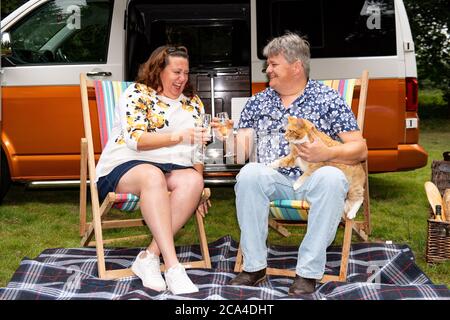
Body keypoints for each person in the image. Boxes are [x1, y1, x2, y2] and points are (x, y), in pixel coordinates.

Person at [225, 32, 368, 294]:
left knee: (333, 178)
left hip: (316, 179)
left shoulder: (327, 99)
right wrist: (230, 137)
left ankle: (307, 272)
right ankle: (254, 266)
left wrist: (326, 154)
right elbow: (239, 155)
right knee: (248, 173)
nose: (267, 70)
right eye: (268, 64)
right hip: (274, 180)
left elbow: (360, 149)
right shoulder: (258, 102)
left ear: (296, 66)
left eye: (273, 64)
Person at [95, 45, 211, 295]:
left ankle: (149, 257)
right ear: (159, 70)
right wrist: (178, 136)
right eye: (176, 72)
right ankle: (172, 266)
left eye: (186, 73)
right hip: (124, 166)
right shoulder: (137, 94)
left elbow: (198, 149)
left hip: (170, 169)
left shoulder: (193, 103)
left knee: (192, 181)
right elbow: (136, 139)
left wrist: (198, 189)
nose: (182, 79)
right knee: (152, 175)